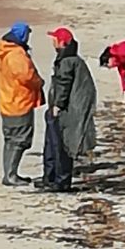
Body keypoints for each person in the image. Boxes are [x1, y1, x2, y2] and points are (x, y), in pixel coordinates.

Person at [37, 27, 97, 194]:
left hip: (64, 111)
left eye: (55, 39)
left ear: (62, 43)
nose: (52, 41)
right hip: (58, 108)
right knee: (50, 145)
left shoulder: (68, 61)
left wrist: (58, 105)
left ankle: (61, 181)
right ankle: (49, 177)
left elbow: (64, 85)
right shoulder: (67, 59)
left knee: (60, 147)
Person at [0, 22, 45, 187]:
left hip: (8, 101)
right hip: (18, 103)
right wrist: (39, 82)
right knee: (20, 140)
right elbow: (27, 76)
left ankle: (9, 173)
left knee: (11, 140)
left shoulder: (5, 50)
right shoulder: (16, 54)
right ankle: (10, 175)